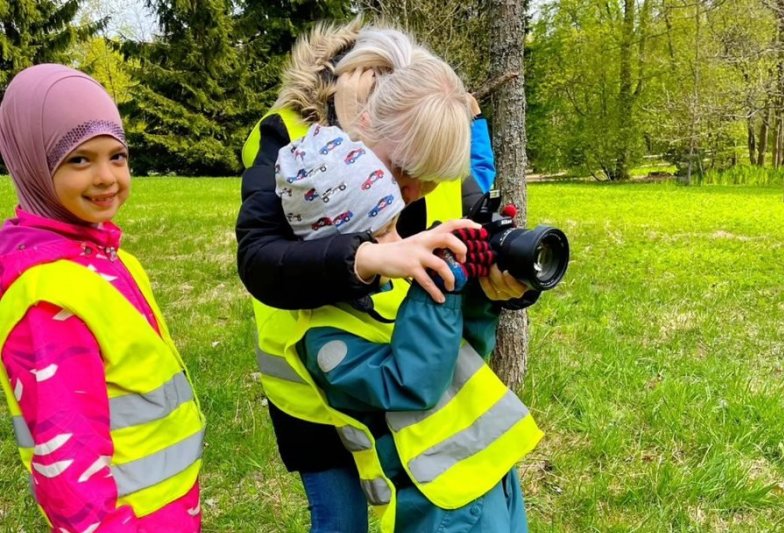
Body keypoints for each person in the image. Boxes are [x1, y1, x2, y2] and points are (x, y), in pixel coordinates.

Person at [236, 19, 536, 532]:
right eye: (404, 172)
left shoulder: (429, 121)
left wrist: (501, 288)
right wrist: (367, 259)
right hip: (320, 384)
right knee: (340, 521)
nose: (418, 193)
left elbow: (472, 255)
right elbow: (260, 260)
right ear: (368, 128)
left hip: (415, 388)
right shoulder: (287, 135)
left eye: (433, 178)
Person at [272, 123, 542, 532]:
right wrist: (438, 291)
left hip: (490, 468)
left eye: (396, 224)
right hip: (440, 502)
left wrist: (478, 294)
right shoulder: (325, 341)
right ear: (341, 243)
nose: (400, 242)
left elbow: (462, 353)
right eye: (383, 233)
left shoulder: (385, 294)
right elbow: (414, 384)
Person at [0, 64, 204, 532]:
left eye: (117, 156)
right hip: (124, 519)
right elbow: (65, 457)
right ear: (31, 163)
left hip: (166, 505)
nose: (106, 176)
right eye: (78, 160)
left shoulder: (111, 259)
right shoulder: (47, 294)